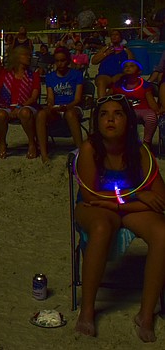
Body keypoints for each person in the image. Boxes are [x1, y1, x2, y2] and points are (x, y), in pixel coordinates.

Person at [73, 95, 165, 342]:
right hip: (95, 207)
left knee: (163, 234)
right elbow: (91, 195)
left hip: (126, 206)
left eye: (118, 113)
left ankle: (146, 315)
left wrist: (123, 201)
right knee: (102, 227)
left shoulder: (140, 151)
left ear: (129, 121)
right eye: (103, 114)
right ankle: (88, 310)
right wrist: (137, 195)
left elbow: (160, 198)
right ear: (96, 121)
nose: (110, 119)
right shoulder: (90, 148)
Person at [36, 47, 84, 162]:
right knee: (41, 114)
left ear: (67, 60)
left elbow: (77, 99)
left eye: (62, 60)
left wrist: (67, 107)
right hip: (58, 107)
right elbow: (51, 97)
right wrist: (51, 105)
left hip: (72, 106)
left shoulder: (76, 75)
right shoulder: (50, 77)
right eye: (57, 61)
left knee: (70, 114)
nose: (60, 63)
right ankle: (43, 153)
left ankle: (81, 150)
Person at [0, 46, 41, 159]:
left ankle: (32, 143)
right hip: (6, 105)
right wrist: (0, 104)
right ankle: (3, 144)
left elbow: (33, 97)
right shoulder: (5, 74)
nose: (29, 57)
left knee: (24, 113)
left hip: (27, 105)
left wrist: (19, 107)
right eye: (25, 55)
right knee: (0, 115)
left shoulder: (33, 75)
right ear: (17, 57)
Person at [111, 60, 158, 148]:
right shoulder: (118, 85)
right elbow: (109, 97)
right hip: (125, 110)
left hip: (143, 109)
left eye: (132, 66)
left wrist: (157, 110)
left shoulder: (145, 85)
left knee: (151, 117)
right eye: (126, 66)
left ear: (139, 71)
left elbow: (151, 102)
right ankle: (124, 142)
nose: (128, 67)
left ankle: (146, 143)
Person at [92, 29, 134, 98]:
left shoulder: (126, 50)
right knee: (101, 81)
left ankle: (108, 97)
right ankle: (101, 102)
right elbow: (94, 61)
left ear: (120, 38)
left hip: (119, 75)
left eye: (116, 35)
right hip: (105, 75)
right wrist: (105, 54)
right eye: (112, 35)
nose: (114, 36)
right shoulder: (105, 48)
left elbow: (132, 63)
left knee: (120, 79)